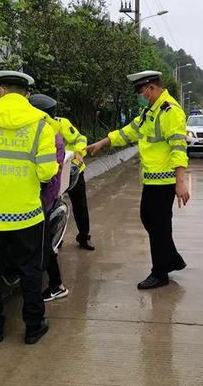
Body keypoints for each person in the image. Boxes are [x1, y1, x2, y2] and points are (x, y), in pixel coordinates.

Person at [0, 70, 57, 344]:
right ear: (27, 94)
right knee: (30, 269)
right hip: (26, 214)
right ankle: (33, 327)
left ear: (1, 90)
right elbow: (46, 171)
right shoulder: (41, 124)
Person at [87, 71, 190, 290]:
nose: (139, 96)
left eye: (141, 91)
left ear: (151, 88)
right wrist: (103, 143)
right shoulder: (149, 111)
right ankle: (171, 258)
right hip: (152, 179)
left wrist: (180, 181)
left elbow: (179, 147)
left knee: (158, 225)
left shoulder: (170, 111)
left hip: (164, 181)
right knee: (150, 220)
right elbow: (129, 132)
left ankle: (160, 273)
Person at [28, 93, 70, 302]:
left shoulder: (49, 136)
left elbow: (44, 173)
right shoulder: (48, 131)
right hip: (41, 194)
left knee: (42, 243)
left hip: (42, 197)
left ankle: (57, 285)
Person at [56, 116, 95, 251]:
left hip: (72, 169)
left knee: (80, 204)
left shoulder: (61, 123)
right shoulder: (34, 123)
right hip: (52, 171)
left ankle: (84, 236)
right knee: (51, 207)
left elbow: (80, 138)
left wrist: (78, 152)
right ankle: (55, 237)